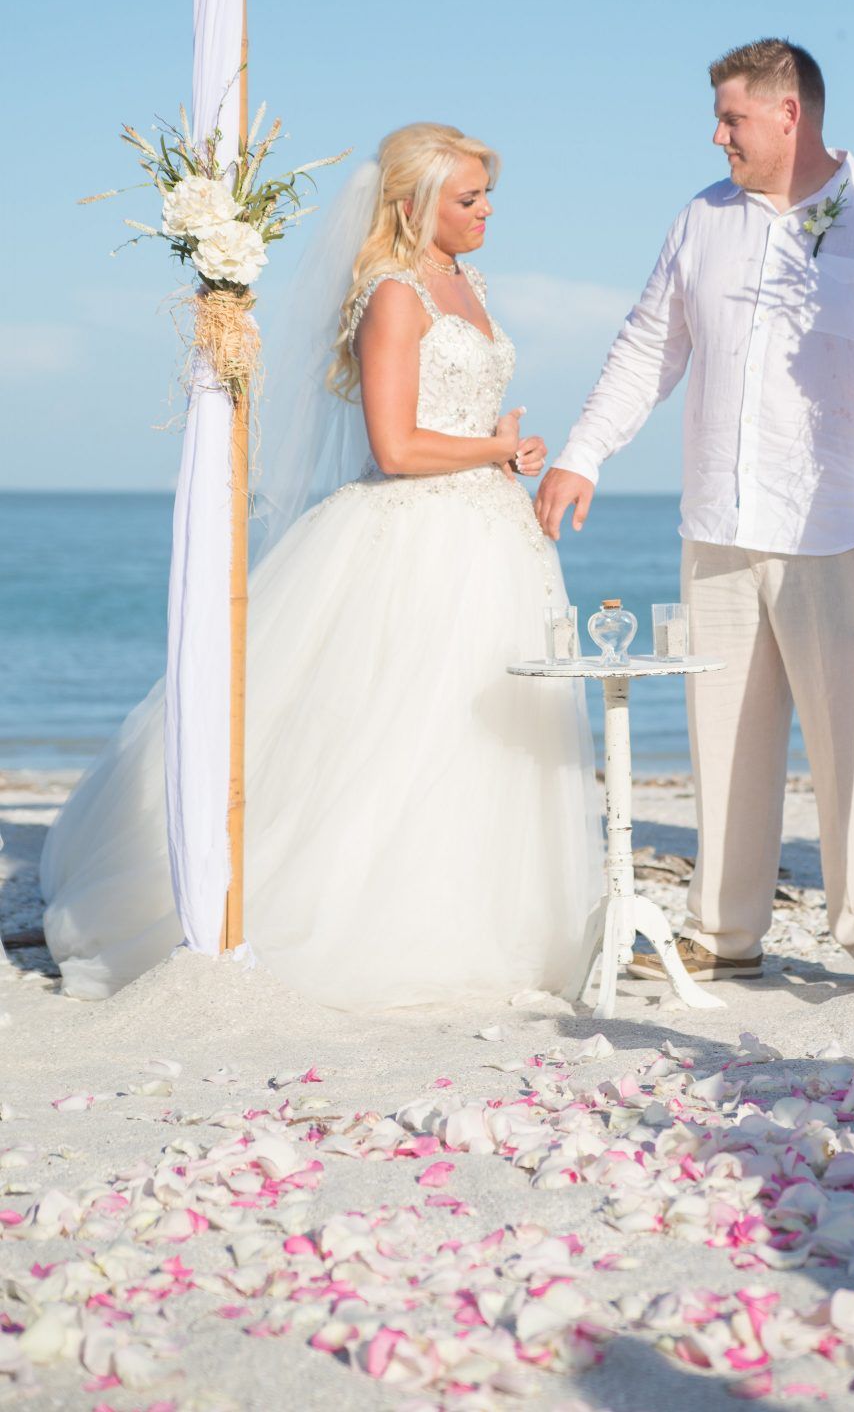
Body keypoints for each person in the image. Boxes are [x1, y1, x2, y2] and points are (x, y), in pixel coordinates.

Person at [42, 123, 600, 1010]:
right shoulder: (393, 295)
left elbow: (449, 422)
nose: (487, 210)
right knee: (401, 734)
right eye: (469, 198)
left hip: (492, 538)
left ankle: (485, 923)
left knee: (482, 737)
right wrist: (489, 444)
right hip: (416, 541)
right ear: (413, 206)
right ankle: (371, 927)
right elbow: (394, 445)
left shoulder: (468, 282)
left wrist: (500, 454)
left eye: (488, 194)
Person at [536, 40, 854, 989]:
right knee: (721, 736)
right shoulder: (701, 219)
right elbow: (647, 348)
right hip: (718, 521)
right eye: (720, 119)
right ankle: (723, 934)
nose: (716, 135)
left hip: (845, 525)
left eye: (732, 118)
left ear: (789, 114)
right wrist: (582, 454)